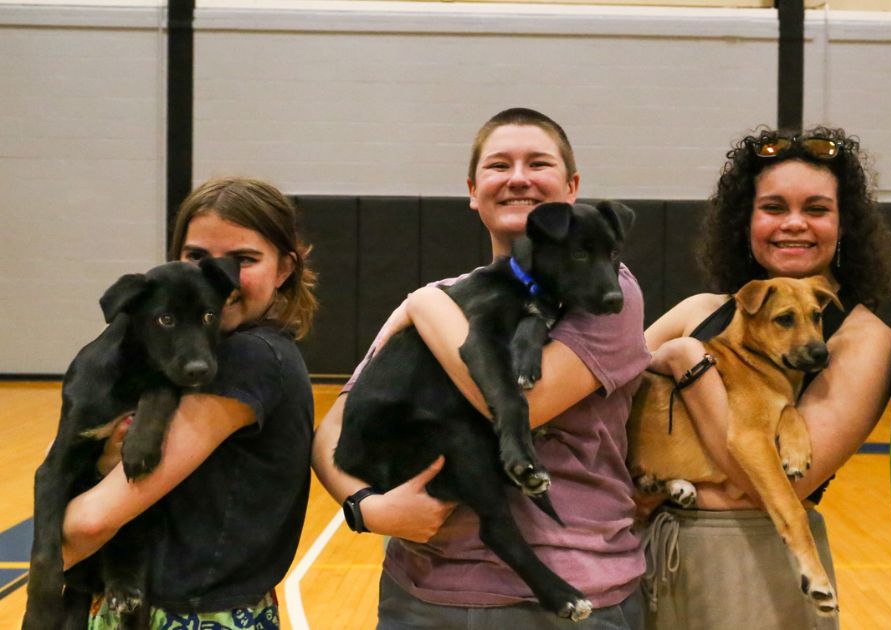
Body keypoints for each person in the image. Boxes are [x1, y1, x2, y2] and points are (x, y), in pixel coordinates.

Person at [311, 107, 651, 629]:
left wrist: (423, 306)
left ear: (571, 186)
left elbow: (523, 404)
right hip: (422, 591)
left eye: (538, 163)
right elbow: (334, 423)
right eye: (499, 166)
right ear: (473, 190)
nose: (518, 178)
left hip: (571, 594)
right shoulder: (449, 296)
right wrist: (364, 507)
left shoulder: (608, 292)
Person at [639, 126, 891, 629]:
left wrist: (689, 367)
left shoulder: (863, 338)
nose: (794, 224)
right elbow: (600, 403)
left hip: (759, 570)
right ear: (747, 221)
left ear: (844, 225)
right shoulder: (698, 310)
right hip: (645, 557)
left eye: (817, 209)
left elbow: (765, 487)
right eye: (774, 208)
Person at [61, 176, 318, 628]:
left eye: (244, 260)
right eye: (196, 256)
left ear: (284, 269)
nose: (217, 277)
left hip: (190, 614)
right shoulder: (190, 359)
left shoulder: (249, 356)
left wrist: (48, 559)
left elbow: (93, 521)